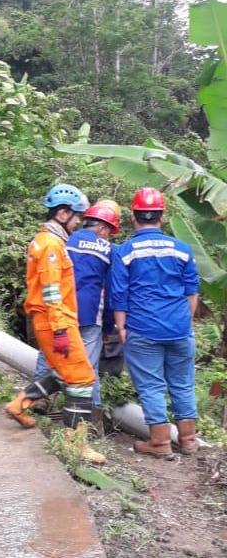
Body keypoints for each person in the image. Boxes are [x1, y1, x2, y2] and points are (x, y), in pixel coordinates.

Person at [4, 184, 105, 463]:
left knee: (64, 374)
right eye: (77, 218)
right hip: (54, 320)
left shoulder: (46, 240)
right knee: (82, 379)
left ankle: (19, 404)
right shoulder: (50, 244)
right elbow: (51, 290)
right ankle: (76, 446)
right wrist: (61, 328)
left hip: (49, 319)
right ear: (62, 213)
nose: (79, 223)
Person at [110, 187, 200, 457]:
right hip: (180, 329)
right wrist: (185, 323)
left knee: (151, 386)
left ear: (134, 215)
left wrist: (121, 327)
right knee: (183, 384)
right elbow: (192, 292)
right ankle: (189, 441)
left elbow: (119, 293)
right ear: (162, 216)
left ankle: (160, 443)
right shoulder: (182, 249)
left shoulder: (125, 251)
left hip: (143, 329)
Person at [30, 199, 120, 413]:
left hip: (58, 310)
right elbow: (110, 292)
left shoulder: (64, 241)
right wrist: (108, 327)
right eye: (109, 231)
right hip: (90, 315)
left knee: (49, 354)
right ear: (102, 227)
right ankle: (91, 412)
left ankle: (39, 400)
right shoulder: (109, 250)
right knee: (87, 366)